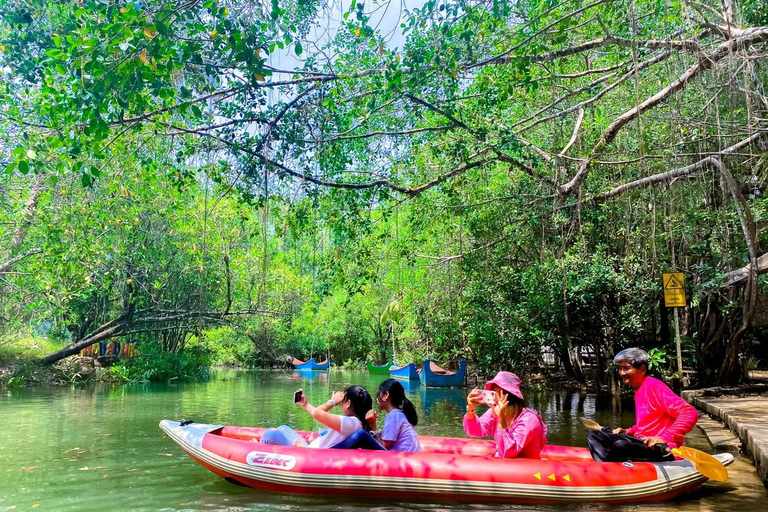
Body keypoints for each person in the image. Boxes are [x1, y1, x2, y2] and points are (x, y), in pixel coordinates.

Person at [587, 347, 699, 463]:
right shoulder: (638, 388)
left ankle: (608, 468)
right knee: (595, 436)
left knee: (621, 446)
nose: (621, 373)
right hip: (642, 442)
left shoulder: (655, 386)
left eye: (626, 368)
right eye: (620, 368)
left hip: (661, 449)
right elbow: (647, 423)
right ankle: (610, 464)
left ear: (642, 369)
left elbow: (689, 412)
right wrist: (628, 431)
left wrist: (664, 438)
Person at [463, 371, 547, 458]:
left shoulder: (529, 419)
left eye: (499, 393)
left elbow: (509, 452)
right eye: (493, 393)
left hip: (525, 468)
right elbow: (474, 431)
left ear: (511, 396)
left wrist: (501, 418)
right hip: (502, 464)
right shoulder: (493, 412)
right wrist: (470, 409)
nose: (495, 398)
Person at [260, 385, 373, 449]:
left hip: (309, 455)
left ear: (348, 403)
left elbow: (318, 413)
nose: (340, 404)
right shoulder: (353, 423)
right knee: (283, 428)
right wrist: (305, 405)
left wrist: (333, 402)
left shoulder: (352, 424)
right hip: (310, 448)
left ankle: (256, 449)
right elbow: (319, 415)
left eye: (342, 401)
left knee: (270, 434)